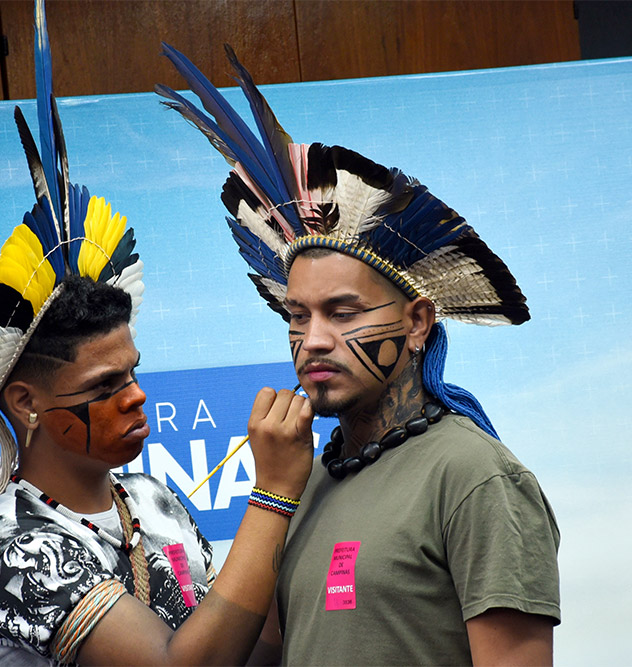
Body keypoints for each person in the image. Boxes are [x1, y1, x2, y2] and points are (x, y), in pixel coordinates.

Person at [157, 45, 561, 665]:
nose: (313, 338)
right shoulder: (306, 480)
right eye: (297, 315)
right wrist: (272, 495)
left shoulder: (475, 480)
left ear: (418, 320)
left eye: (343, 313)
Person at [0, 6, 313, 665]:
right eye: (104, 384)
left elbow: (250, 653)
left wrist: (297, 516)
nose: (136, 396)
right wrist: (273, 495)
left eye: (133, 372)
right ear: (26, 401)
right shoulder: (15, 546)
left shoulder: (152, 502)